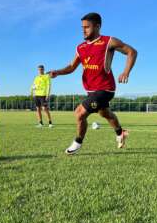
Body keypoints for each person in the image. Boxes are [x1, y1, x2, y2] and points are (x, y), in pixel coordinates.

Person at [49, 12, 137, 154]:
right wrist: (58, 72)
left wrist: (126, 71)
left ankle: (77, 143)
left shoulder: (108, 41)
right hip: (91, 90)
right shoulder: (81, 48)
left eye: (87, 27)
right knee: (105, 114)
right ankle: (120, 133)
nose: (83, 30)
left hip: (105, 89)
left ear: (97, 26)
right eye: (82, 27)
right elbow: (71, 67)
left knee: (79, 113)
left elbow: (132, 52)